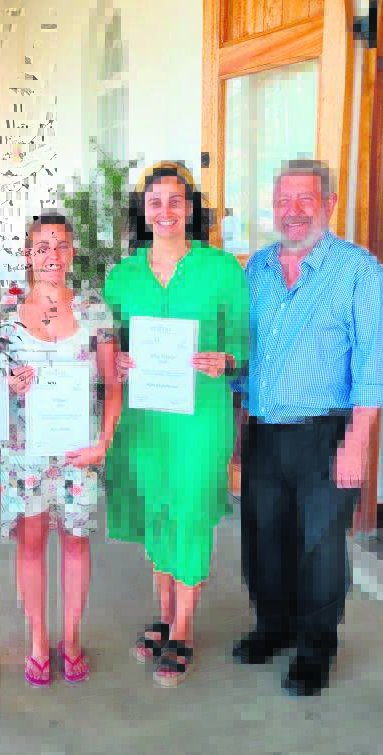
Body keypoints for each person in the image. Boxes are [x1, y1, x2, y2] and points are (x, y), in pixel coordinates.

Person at [232, 159, 383, 696]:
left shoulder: (359, 272)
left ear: (329, 203)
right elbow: (244, 354)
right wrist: (237, 431)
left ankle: (314, 647)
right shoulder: (256, 270)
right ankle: (273, 627)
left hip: (326, 434)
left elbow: (376, 363)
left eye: (306, 199)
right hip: (263, 429)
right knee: (263, 539)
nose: (294, 211)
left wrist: (357, 443)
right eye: (284, 200)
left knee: (320, 547)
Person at [103, 161, 249, 687]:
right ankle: (165, 616)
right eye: (155, 201)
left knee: (190, 510)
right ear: (143, 211)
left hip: (200, 416)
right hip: (143, 418)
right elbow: (109, 344)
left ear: (190, 208)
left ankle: (183, 629)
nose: (165, 211)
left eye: (175, 201)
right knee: (157, 511)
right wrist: (115, 361)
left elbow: (242, 342)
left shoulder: (221, 269)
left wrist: (225, 360)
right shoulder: (122, 277)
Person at [0, 213, 121, 686]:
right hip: (25, 453)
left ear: (72, 253)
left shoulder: (94, 309)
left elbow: (112, 384)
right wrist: (2, 391)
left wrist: (104, 442)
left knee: (76, 542)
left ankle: (72, 637)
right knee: (32, 544)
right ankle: (39, 639)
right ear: (28, 255)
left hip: (79, 452)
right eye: (42, 247)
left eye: (60, 246)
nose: (52, 256)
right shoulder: (4, 311)